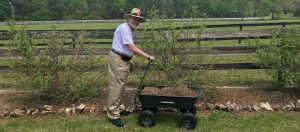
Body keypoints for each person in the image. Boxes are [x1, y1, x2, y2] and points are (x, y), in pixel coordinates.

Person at [107, 8, 154, 127]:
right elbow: (131, 47)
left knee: (120, 86)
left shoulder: (127, 28)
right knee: (117, 87)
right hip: (119, 60)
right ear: (129, 18)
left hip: (121, 59)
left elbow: (126, 48)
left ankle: (116, 110)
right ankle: (113, 115)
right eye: (135, 19)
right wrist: (147, 56)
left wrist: (130, 60)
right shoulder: (125, 28)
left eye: (138, 20)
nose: (136, 21)